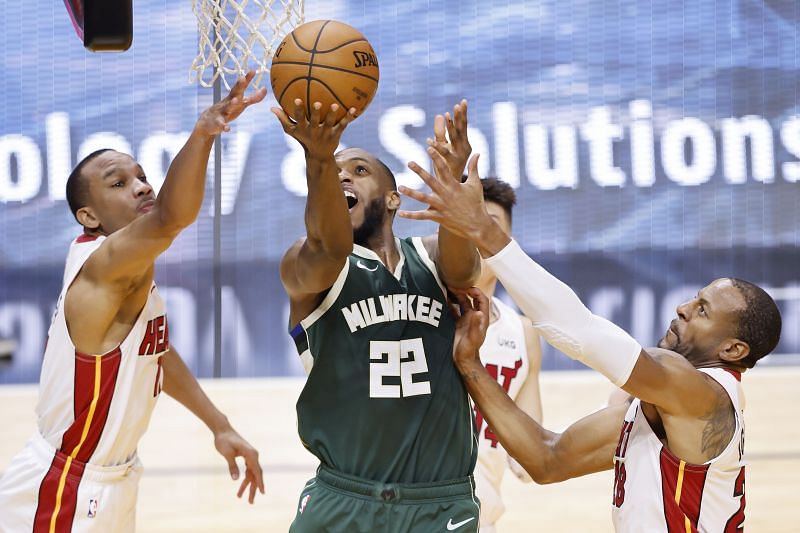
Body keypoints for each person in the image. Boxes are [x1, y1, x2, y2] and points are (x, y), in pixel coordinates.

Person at [399, 152, 782, 532]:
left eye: (701, 311)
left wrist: (484, 232)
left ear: (733, 350)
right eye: (693, 299)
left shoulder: (700, 394)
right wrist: (470, 365)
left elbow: (579, 330)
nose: (682, 308)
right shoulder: (665, 410)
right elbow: (547, 460)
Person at [0, 72, 266, 532]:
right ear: (88, 216)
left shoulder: (130, 272)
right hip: (64, 489)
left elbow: (153, 350)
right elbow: (170, 218)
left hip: (110, 483)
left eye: (142, 176)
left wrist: (218, 423)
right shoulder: (104, 267)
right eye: (119, 183)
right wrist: (203, 133)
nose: (142, 186)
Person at [272, 97, 482, 532]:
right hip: (344, 497)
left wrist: (453, 182)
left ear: (392, 199)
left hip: (439, 503)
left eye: (359, 170)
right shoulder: (307, 264)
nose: (344, 174)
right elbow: (328, 245)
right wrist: (318, 160)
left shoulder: (433, 258)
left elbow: (465, 266)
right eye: (337, 172)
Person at [471, 178, 542, 533]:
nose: (476, 233)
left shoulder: (523, 333)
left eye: (489, 225)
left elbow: (531, 460)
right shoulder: (417, 312)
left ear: (508, 245)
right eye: (465, 222)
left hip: (479, 520)